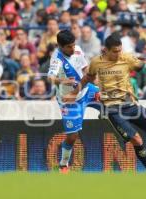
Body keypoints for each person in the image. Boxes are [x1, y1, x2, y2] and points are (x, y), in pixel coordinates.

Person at [71, 34, 146, 171]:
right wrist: (74, 93)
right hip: (112, 110)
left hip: (131, 105)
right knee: (137, 140)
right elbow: (88, 77)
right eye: (115, 51)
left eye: (120, 50)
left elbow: (145, 67)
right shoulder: (96, 62)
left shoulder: (126, 58)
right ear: (106, 50)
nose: (118, 54)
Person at [47, 30, 99, 173]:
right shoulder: (56, 58)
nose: (72, 48)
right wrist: (63, 80)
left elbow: (85, 68)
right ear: (60, 46)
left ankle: (105, 113)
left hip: (86, 90)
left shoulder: (77, 50)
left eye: (73, 45)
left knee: (109, 98)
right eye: (69, 47)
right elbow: (50, 78)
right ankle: (63, 164)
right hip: (69, 100)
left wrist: (94, 79)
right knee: (72, 136)